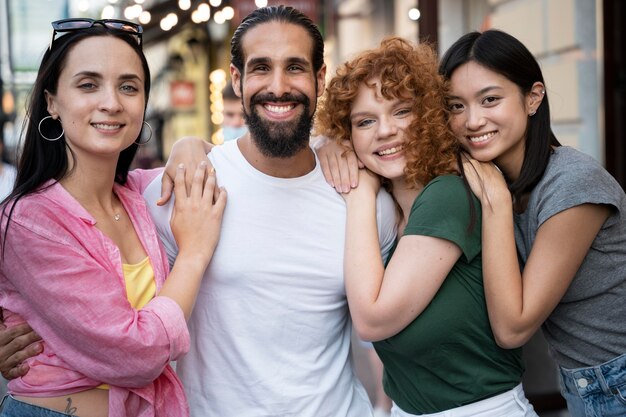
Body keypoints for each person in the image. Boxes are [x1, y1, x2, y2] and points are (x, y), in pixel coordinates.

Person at [0, 6, 396, 416]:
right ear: (236, 80)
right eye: (261, 68)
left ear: (319, 79)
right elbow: (121, 340)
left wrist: (190, 144)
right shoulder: (176, 193)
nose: (279, 86)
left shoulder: (360, 198)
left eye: (294, 67)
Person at [0, 18, 225, 417]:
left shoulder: (139, 195)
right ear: (52, 100)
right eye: (88, 84)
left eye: (129, 86)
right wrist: (193, 253)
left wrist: (189, 144)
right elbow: (137, 355)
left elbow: (235, 168)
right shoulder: (29, 220)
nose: (112, 102)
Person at [315, 36, 536, 417]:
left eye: (401, 112)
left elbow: (371, 320)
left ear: (431, 115)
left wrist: (360, 195)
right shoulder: (394, 211)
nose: (384, 131)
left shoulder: (447, 194)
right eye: (365, 121)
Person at [438, 29, 626, 417]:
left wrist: (494, 203)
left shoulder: (573, 183)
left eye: (490, 99)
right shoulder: (490, 176)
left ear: (533, 97)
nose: (472, 121)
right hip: (584, 384)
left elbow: (513, 329)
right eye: (455, 106)